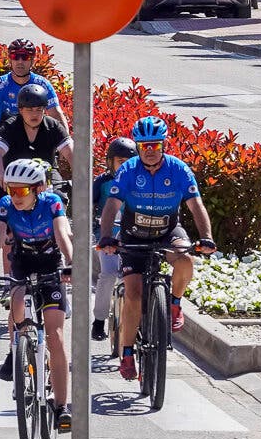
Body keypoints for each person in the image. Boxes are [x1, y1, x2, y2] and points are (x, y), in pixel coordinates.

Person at [97, 116, 217, 381]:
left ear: (163, 145)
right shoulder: (128, 170)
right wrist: (106, 236)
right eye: (144, 146)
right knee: (134, 294)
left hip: (167, 231)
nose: (149, 150)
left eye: (154, 144)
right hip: (133, 235)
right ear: (138, 148)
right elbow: (112, 206)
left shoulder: (178, 170)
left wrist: (206, 237)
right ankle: (127, 354)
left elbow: (196, 206)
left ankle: (174, 303)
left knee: (185, 260)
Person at [0, 158, 74, 432]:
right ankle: (15, 350)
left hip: (51, 266)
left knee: (55, 336)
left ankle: (62, 405)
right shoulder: (6, 205)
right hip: (23, 262)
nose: (15, 196)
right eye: (10, 189)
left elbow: (63, 233)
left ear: (38, 189)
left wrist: (70, 262)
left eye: (22, 191)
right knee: (16, 304)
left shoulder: (52, 203)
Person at [0, 38, 68, 157]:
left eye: (25, 57)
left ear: (32, 61)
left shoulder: (42, 84)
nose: (20, 61)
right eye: (16, 57)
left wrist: (65, 143)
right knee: (0, 171)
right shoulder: (1, 84)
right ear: (10, 60)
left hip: (35, 134)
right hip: (7, 135)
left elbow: (56, 114)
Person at [0, 83, 74, 207]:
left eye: (39, 110)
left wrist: (80, 174)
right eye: (29, 110)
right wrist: (0, 174)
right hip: (15, 176)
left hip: (46, 173)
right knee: (6, 206)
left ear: (45, 110)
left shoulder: (53, 126)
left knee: (59, 199)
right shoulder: (10, 126)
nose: (34, 114)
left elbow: (71, 151)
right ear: (20, 110)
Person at [91, 137, 137, 341]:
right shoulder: (102, 182)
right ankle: (99, 320)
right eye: (120, 161)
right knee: (108, 273)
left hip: (134, 234)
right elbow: (85, 206)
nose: (124, 166)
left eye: (129, 161)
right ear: (110, 162)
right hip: (107, 235)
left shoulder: (140, 181)